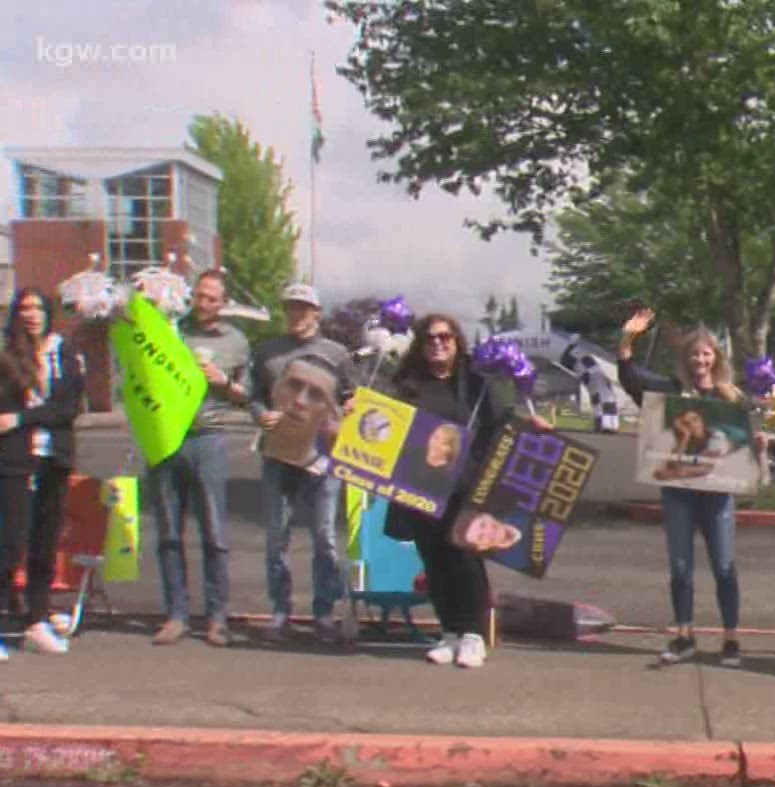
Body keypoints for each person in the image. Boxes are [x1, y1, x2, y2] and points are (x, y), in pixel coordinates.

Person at [615, 308, 767, 667]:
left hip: (718, 496)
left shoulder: (732, 398)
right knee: (680, 568)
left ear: (716, 357)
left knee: (724, 568)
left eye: (706, 353)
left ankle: (731, 638)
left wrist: (759, 443)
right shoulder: (672, 391)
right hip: (679, 494)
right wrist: (626, 342)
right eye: (694, 354)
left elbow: (750, 438)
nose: (700, 359)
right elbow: (632, 380)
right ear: (686, 359)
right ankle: (684, 636)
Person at [379, 315, 526, 669]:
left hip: (466, 488)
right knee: (435, 560)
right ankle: (450, 632)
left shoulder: (476, 384)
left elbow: (501, 426)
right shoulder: (407, 385)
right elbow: (385, 424)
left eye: (445, 337)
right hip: (419, 488)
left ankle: (474, 636)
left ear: (457, 341)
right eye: (430, 339)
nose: (438, 344)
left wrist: (529, 425)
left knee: (465, 559)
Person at [248, 283, 357, 643]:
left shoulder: (337, 353)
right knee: (276, 535)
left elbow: (351, 398)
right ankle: (281, 612)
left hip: (322, 455)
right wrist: (260, 414)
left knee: (325, 535)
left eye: (303, 308)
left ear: (317, 312)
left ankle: (324, 613)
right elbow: (253, 397)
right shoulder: (266, 352)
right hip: (278, 452)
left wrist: (347, 416)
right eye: (291, 308)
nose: (296, 314)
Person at [154, 270, 251, 647]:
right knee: (168, 534)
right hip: (167, 438)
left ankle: (216, 618)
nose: (204, 303)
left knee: (214, 533)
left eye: (212, 298)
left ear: (223, 303)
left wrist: (223, 382)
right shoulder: (170, 332)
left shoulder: (236, 342)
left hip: (209, 439)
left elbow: (247, 395)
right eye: (200, 295)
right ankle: (176, 615)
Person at [0, 287, 85, 658]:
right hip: (15, 459)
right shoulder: (7, 356)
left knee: (45, 543)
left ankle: (36, 619)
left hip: (55, 457)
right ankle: (4, 623)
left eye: (38, 308)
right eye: (25, 309)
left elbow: (68, 408)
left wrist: (23, 418)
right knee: (10, 544)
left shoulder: (63, 352)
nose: (32, 315)